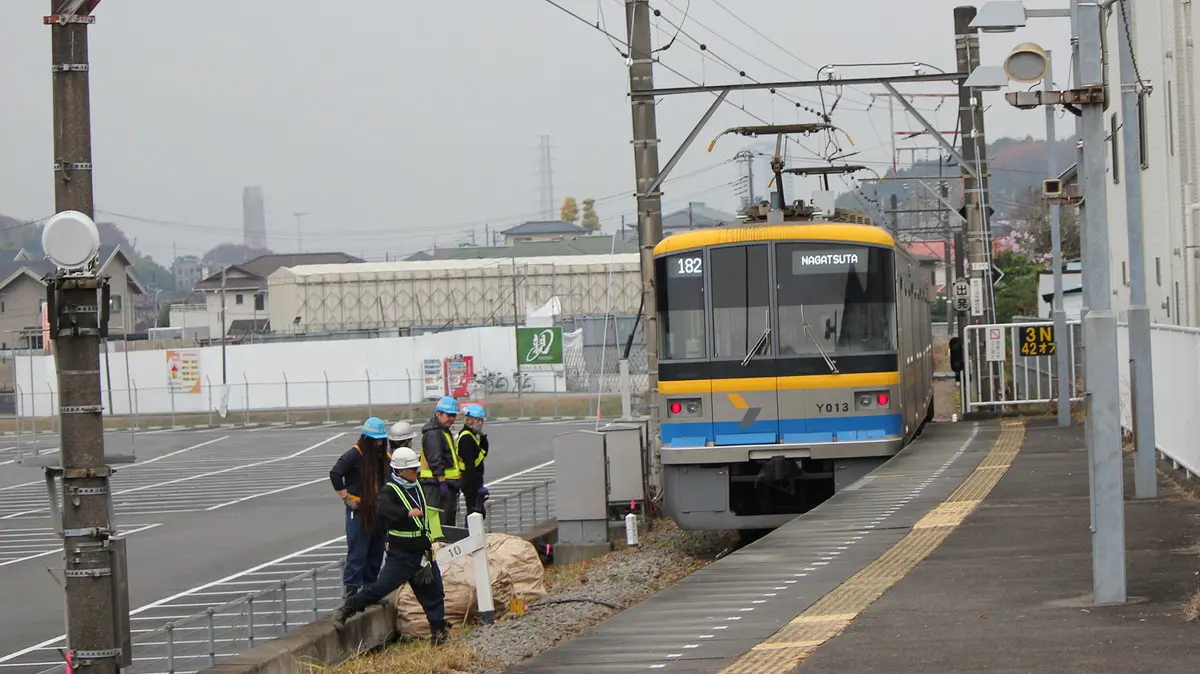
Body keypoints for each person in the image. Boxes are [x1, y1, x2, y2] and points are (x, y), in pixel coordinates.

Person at [332, 447, 451, 646]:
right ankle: (347, 609)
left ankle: (438, 633)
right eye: (412, 470)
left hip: (421, 554)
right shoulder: (389, 490)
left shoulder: (417, 485)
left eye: (416, 469)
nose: (416, 472)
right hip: (401, 555)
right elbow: (383, 508)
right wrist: (405, 514)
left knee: (434, 592)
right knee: (379, 588)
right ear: (399, 471)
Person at [329, 417, 390, 599]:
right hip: (359, 510)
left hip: (378, 510)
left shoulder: (384, 457)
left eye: (381, 440)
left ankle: (370, 591)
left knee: (376, 550)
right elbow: (335, 473)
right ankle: (352, 593)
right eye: (375, 440)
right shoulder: (355, 454)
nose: (379, 444)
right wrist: (346, 498)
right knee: (358, 552)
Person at [419, 396, 463, 530]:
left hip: (444, 486)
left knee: (447, 525)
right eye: (449, 415)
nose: (452, 419)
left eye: (454, 416)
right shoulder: (433, 433)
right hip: (436, 487)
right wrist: (442, 481)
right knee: (439, 527)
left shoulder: (442, 430)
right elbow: (435, 458)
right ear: (439, 413)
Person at [456, 404, 490, 518]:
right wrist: (477, 487)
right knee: (474, 514)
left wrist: (483, 436)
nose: (480, 423)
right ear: (469, 420)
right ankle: (471, 535)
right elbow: (470, 466)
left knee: (478, 513)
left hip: (473, 482)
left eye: (481, 420)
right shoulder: (466, 438)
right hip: (470, 483)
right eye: (478, 420)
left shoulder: (472, 435)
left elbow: (483, 453)